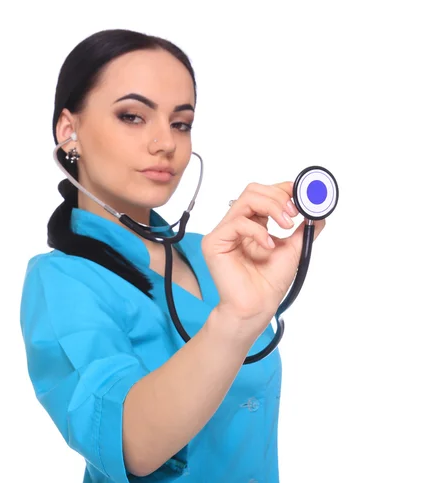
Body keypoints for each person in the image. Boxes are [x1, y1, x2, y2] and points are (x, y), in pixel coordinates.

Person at [19, 28, 326, 483]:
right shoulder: (63, 282)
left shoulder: (216, 253)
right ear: (70, 131)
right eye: (133, 116)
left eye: (180, 122)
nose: (166, 143)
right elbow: (131, 444)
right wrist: (237, 319)